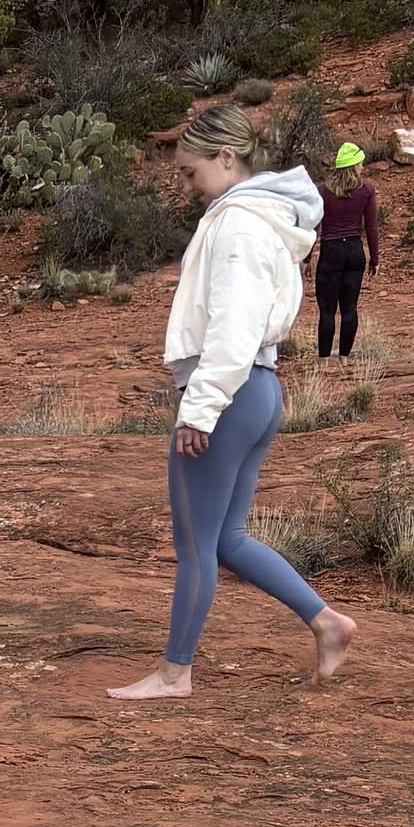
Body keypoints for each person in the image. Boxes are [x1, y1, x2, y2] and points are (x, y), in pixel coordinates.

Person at [109, 102, 357, 703]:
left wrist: (199, 407)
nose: (186, 186)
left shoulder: (241, 224)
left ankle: (174, 674)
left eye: (191, 173)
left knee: (195, 545)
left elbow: (235, 324)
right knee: (228, 540)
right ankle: (328, 622)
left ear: (227, 157)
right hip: (257, 390)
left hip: (230, 391)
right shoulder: (262, 219)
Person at [314, 139, 379, 358]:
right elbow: (371, 227)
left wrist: (305, 259)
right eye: (360, 163)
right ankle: (344, 359)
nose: (363, 167)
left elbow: (314, 226)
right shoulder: (366, 190)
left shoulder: (323, 191)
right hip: (354, 251)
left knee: (327, 310)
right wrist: (374, 259)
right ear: (353, 166)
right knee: (349, 307)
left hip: (330, 251)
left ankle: (323, 361)